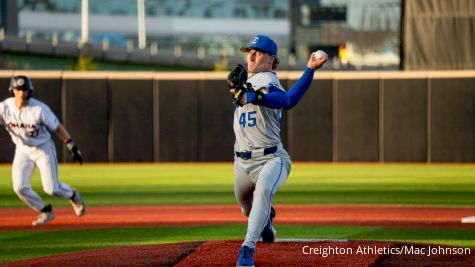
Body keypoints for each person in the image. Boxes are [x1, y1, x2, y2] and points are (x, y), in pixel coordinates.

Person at [228, 35, 328, 267]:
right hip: (241, 162)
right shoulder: (247, 81)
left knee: (263, 190)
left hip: (271, 158)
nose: (251, 55)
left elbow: (286, 99)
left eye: (259, 52)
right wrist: (238, 89)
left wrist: (309, 70)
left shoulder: (267, 80)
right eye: (249, 51)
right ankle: (266, 220)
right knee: (246, 208)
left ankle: (247, 250)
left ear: (271, 58)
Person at [0, 75, 85, 226]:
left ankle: (73, 195)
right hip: (22, 149)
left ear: (29, 91)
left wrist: (71, 145)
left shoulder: (39, 109)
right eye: (18, 89)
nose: (21, 93)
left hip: (42, 148)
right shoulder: (4, 108)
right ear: (12, 90)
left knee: (52, 188)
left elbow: (57, 127)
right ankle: (45, 211)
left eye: (24, 89)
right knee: (19, 187)